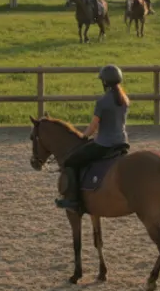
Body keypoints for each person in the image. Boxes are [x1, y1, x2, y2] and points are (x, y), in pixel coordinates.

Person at [55, 65, 131, 211]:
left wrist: (84, 136)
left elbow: (93, 126)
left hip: (105, 144)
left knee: (71, 162)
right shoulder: (124, 99)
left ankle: (73, 199)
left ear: (105, 82)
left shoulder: (102, 101)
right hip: (121, 142)